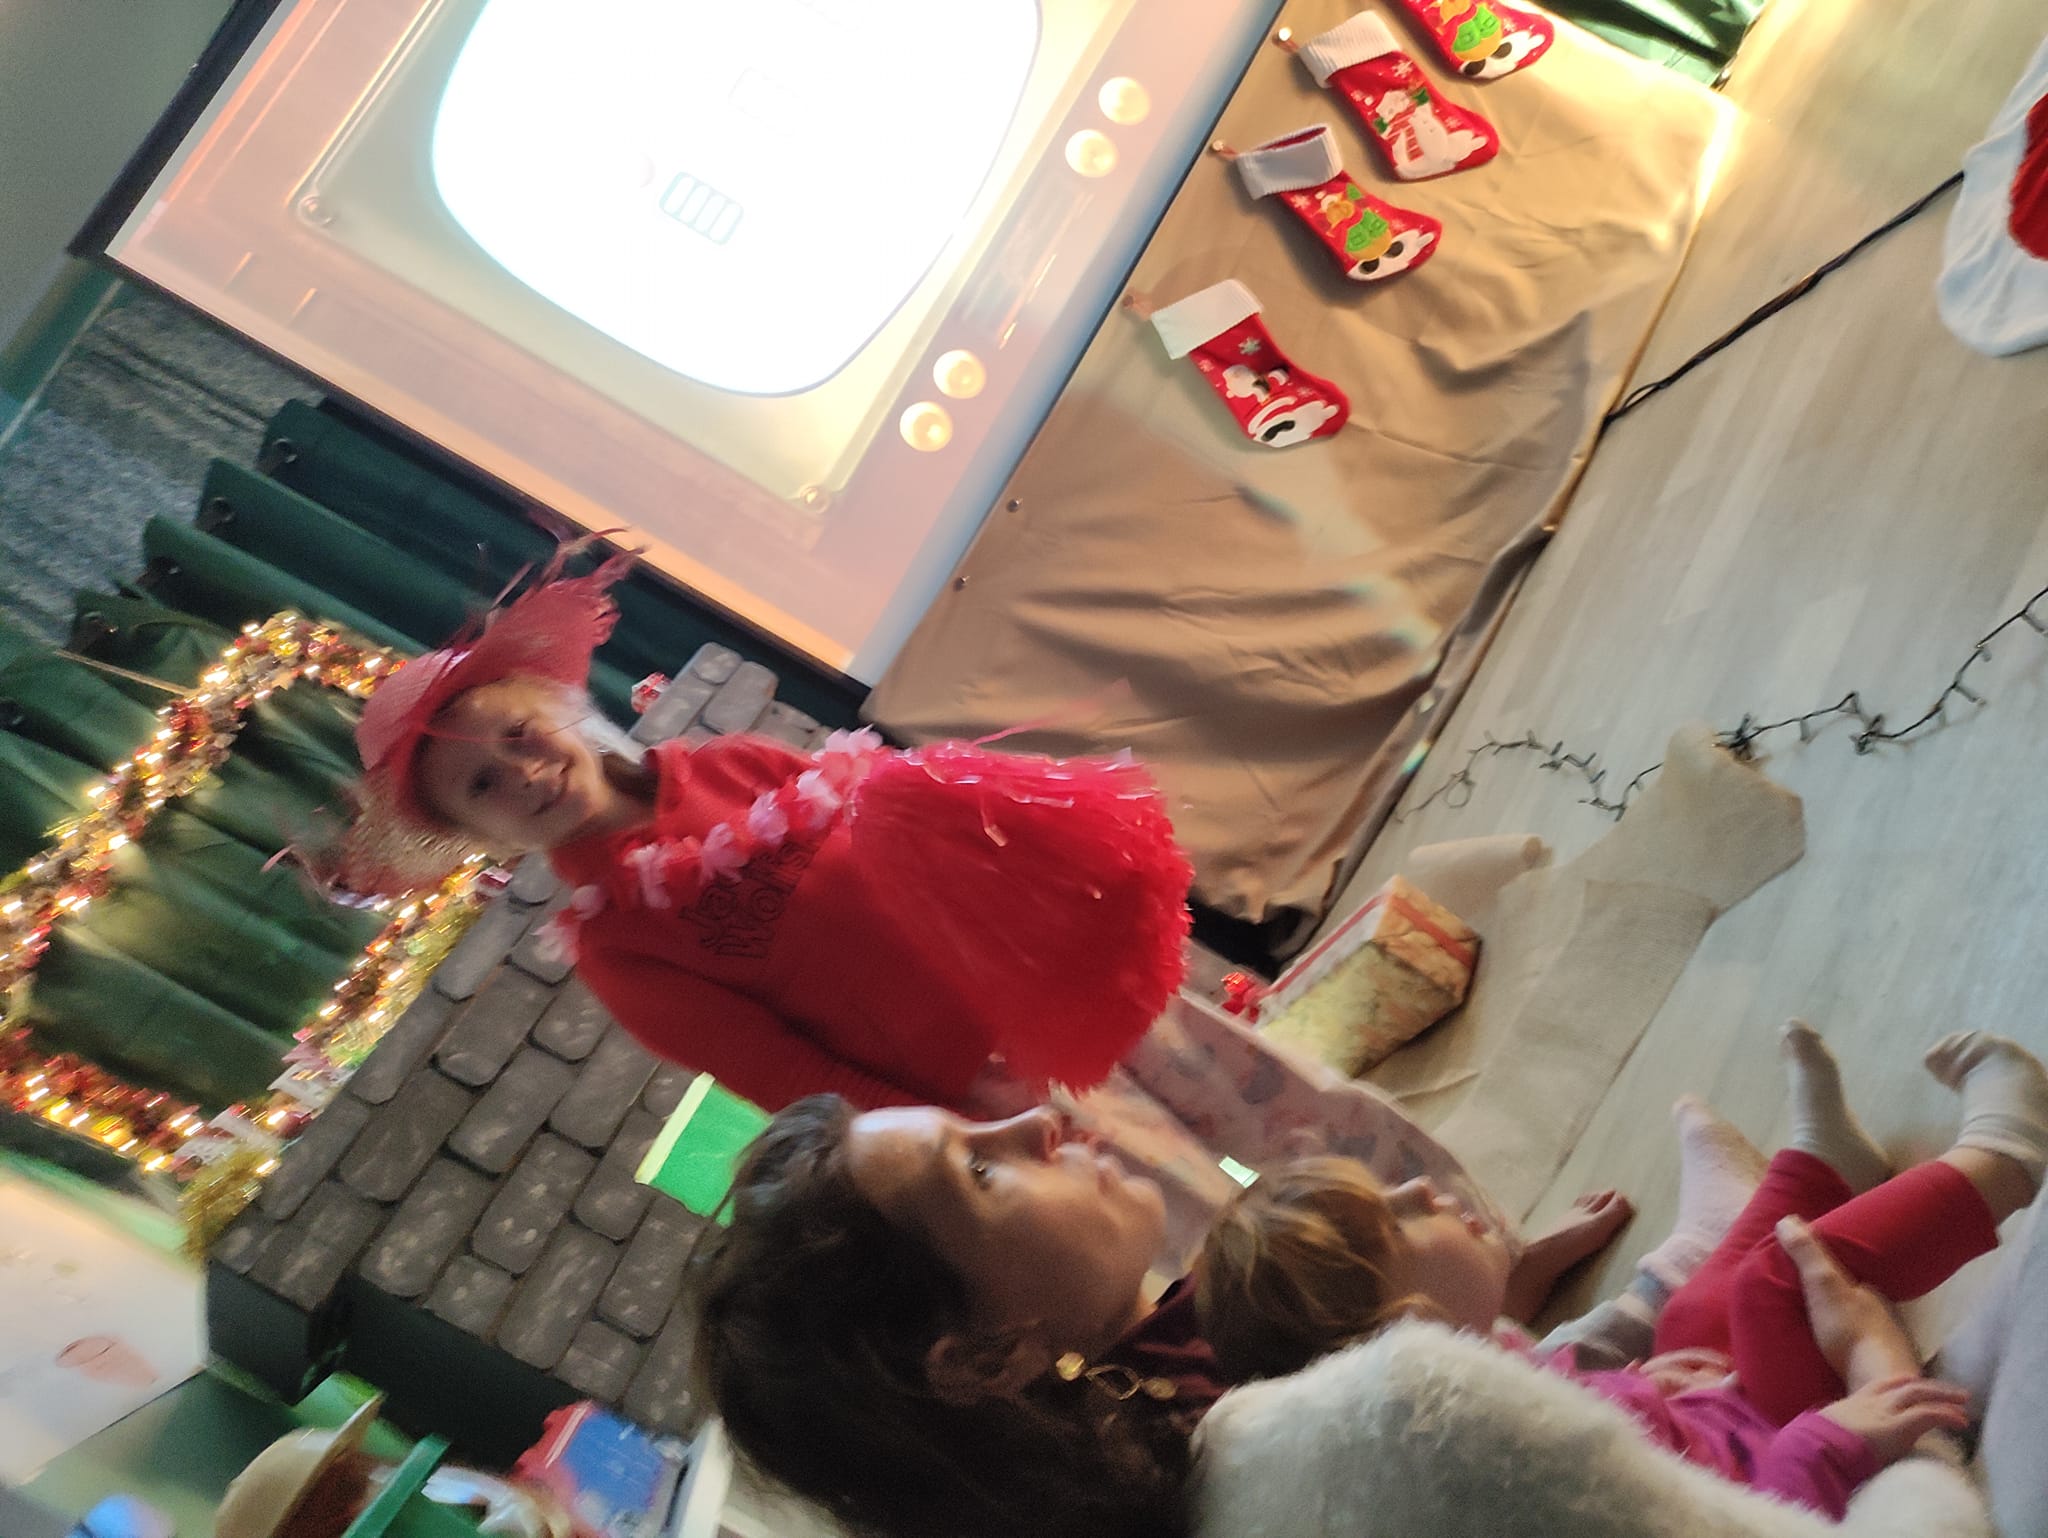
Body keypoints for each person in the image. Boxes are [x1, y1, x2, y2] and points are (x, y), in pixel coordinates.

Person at [333, 548, 1639, 1302]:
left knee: (1307, 1109)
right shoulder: (620, 942)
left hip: (1060, 980)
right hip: (1003, 1090)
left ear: (556, 706)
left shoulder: (723, 762)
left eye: (517, 736)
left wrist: (1054, 890)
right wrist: (976, 1142)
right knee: (1215, 1240)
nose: (521, 773)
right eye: (484, 787)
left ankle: (1493, 1254)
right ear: (478, 834)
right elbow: (796, 1079)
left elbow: (917, 826)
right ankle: (1403, 1342)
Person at [688, 1029, 2028, 1538]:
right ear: (982, 1359)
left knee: (1666, 1315)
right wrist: (1876, 1378)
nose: (1034, 1119)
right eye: (979, 1172)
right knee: (1759, 1298)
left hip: (1657, 1423)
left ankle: (1762, 1196)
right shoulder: (1373, 1421)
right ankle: (1954, 1164)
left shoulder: (1164, 1431)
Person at [1196, 1022, 2048, 1518]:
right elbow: (1717, 1523)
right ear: (1406, 1328)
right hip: (1800, 1471)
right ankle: (2004, 1158)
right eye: (1396, 1221)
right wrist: (1828, 1441)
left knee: (1690, 1316)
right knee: (1774, 1285)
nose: (1420, 1188)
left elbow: (1586, 1392)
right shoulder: (1520, 1468)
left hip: (1725, 1419)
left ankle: (1822, 1168)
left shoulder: (1485, 1389)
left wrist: (1650, 1389)